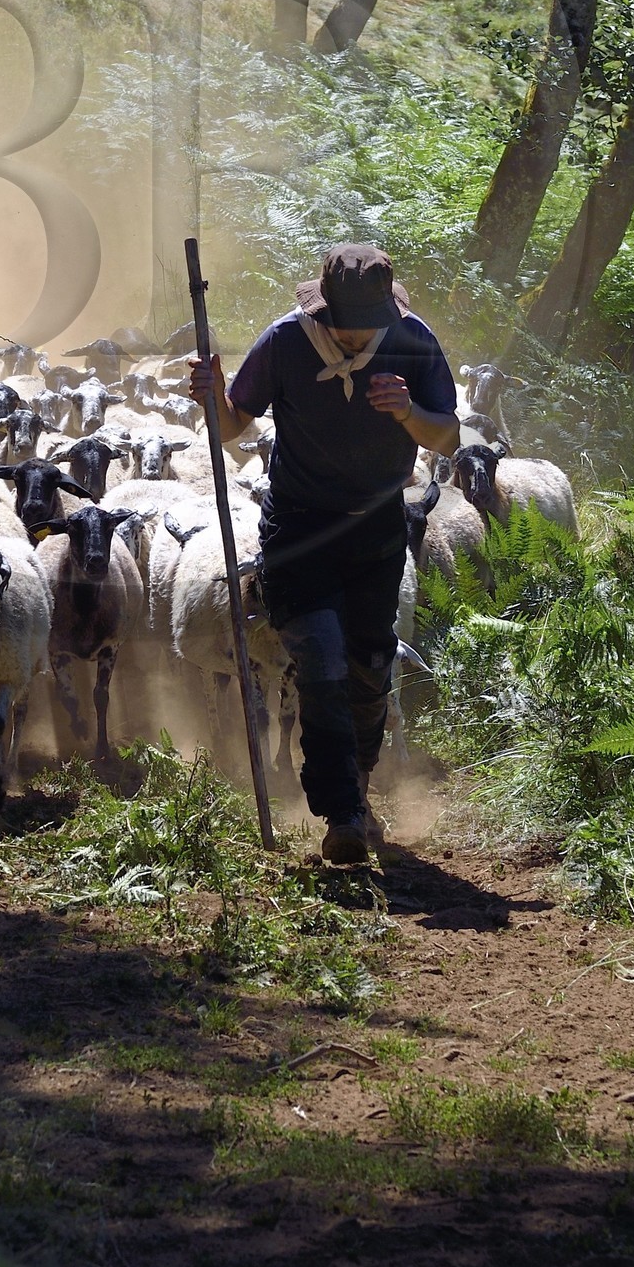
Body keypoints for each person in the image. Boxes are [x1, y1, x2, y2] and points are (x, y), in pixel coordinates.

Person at [188, 242, 460, 866]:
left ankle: (357, 792)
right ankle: (340, 813)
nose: (359, 332)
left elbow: (450, 433)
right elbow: (233, 425)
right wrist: (212, 396)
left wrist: (409, 412)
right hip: (300, 529)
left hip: (376, 530)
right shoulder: (284, 341)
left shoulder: (412, 339)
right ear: (324, 308)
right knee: (322, 658)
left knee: (368, 666)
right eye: (348, 321)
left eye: (371, 322)